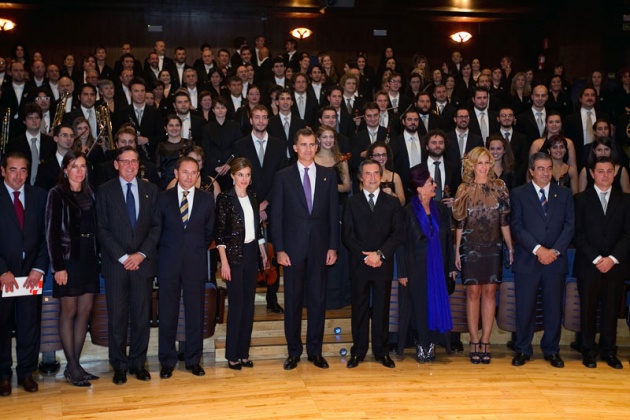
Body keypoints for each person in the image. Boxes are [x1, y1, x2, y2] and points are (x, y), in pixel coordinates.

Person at [270, 128, 339, 370]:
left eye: (312, 144)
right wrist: (279, 249)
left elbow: (333, 215)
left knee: (318, 301)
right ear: (295, 148)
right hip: (292, 251)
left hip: (320, 249)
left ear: (316, 147)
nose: (308, 149)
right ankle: (293, 352)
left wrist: (333, 246)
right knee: (293, 302)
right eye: (304, 144)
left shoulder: (328, 176)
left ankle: (315, 351)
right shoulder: (283, 176)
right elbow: (276, 216)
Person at [96, 145, 161, 385]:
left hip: (142, 264)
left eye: (134, 161)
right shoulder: (104, 191)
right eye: (125, 161)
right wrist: (124, 257)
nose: (130, 165)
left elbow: (156, 227)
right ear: (116, 164)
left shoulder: (150, 190)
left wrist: (141, 254)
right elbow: (101, 228)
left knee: (142, 316)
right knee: (118, 317)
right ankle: (119, 365)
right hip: (116, 265)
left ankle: (137, 363)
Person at [510, 152, 575, 368]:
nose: (545, 172)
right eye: (540, 168)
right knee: (525, 308)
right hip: (528, 260)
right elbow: (517, 227)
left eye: (548, 168)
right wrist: (539, 250)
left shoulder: (564, 194)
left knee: (553, 308)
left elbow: (569, 225)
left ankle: (551, 349)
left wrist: (553, 251)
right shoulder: (518, 194)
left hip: (555, 261)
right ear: (531, 171)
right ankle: (522, 349)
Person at [453, 146, 513, 364]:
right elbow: (459, 223)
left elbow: (504, 221)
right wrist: (457, 251)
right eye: (480, 162)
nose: (484, 167)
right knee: (473, 294)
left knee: (489, 293)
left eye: (487, 162)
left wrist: (510, 246)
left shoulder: (500, 187)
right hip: (470, 247)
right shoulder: (463, 189)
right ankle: (474, 340)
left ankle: (486, 341)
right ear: (472, 165)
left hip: (493, 247)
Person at [157, 156, 215, 379]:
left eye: (194, 172)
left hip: (195, 263)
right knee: (168, 313)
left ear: (198, 175)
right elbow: (158, 230)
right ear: (176, 174)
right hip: (168, 264)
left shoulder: (206, 200)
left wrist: (193, 249)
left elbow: (209, 232)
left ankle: (193, 359)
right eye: (185, 172)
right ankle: (167, 361)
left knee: (195, 314)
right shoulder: (162, 199)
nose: (189, 176)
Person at [45, 150, 100, 386]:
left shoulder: (90, 193)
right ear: (65, 170)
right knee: (68, 311)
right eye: (74, 166)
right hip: (68, 259)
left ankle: (74, 366)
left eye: (83, 166)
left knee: (85, 311)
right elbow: (51, 233)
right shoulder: (56, 194)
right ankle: (74, 367)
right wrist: (58, 266)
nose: (79, 171)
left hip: (88, 258)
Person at [342, 159, 403, 369]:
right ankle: (358, 351)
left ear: (382, 176)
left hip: (382, 264)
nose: (372, 178)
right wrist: (366, 256)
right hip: (360, 264)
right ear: (360, 177)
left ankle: (381, 351)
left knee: (381, 309)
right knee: (358, 309)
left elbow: (397, 234)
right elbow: (347, 235)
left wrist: (380, 254)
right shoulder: (351, 203)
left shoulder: (392, 203)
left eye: (376, 173)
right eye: (367, 174)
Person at [573, 156, 630, 370]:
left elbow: (627, 234)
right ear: (591, 173)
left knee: (610, 309)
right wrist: (597, 259)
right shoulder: (580, 199)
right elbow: (577, 234)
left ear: (614, 173)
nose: (605, 175)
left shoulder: (625, 200)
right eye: (601, 171)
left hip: (615, 265)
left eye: (609, 171)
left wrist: (612, 259)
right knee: (588, 309)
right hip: (589, 264)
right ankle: (588, 350)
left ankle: (609, 350)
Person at [0, 152, 49, 396]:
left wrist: (38, 269)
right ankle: (3, 374)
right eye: (13, 169)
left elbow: (45, 237)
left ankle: (26, 373)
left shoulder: (39, 196)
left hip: (31, 276)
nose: (18, 175)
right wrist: (2, 270)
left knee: (30, 325)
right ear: (3, 171)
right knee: (2, 325)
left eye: (23, 170)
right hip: (3, 278)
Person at [397, 167, 455, 363]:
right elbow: (402, 244)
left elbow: (448, 241)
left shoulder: (441, 209)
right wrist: (403, 272)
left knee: (435, 305)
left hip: (438, 266)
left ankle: (433, 343)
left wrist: (451, 268)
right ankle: (422, 343)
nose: (435, 185)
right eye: (431, 182)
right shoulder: (407, 212)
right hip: (416, 268)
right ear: (420, 188)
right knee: (420, 307)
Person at [215, 158, 267, 370]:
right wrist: (224, 263)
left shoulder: (253, 197)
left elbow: (257, 228)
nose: (244, 179)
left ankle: (244, 353)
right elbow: (219, 235)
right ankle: (232, 355)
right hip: (233, 256)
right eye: (240, 175)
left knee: (249, 306)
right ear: (232, 176)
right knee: (236, 306)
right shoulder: (225, 199)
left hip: (251, 253)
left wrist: (263, 252)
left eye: (247, 175)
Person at [156, 115, 193, 189]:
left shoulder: (189, 144)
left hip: (187, 182)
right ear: (165, 128)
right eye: (171, 125)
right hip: (166, 184)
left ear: (181, 127)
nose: (174, 128)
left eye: (177, 125)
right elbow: (158, 170)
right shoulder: (161, 146)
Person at [366, 141, 405, 205]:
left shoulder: (395, 176)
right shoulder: (366, 176)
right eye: (377, 155)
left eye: (383, 155)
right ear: (371, 157)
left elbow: (402, 202)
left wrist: (392, 194)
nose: (381, 158)